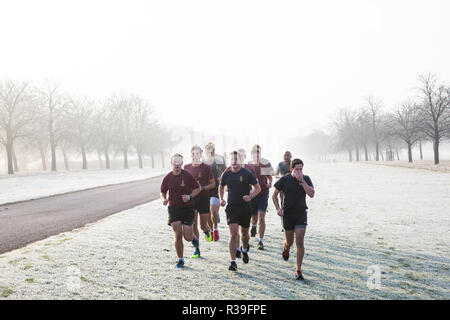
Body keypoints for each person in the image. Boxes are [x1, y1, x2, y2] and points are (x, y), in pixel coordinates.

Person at [272, 158, 315, 280]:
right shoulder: (284, 179)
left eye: (301, 169)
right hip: (288, 215)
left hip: (301, 213)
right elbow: (274, 195)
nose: (299, 171)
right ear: (291, 169)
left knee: (300, 241)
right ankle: (286, 247)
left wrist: (302, 181)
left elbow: (311, 194)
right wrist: (278, 209)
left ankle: (298, 270)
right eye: (297, 169)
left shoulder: (305, 178)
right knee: (289, 241)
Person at [219, 151, 261, 271]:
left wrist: (250, 196)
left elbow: (258, 188)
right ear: (230, 160)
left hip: (245, 208)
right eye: (232, 159)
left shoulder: (247, 173)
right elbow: (221, 186)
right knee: (233, 234)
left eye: (237, 159)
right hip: (231, 208)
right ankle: (233, 262)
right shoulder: (226, 174)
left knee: (244, 235)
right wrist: (221, 199)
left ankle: (244, 249)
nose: (234, 161)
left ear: (241, 160)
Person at [160, 153, 202, 268]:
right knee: (177, 234)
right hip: (173, 208)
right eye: (175, 162)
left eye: (179, 162)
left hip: (188, 208)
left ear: (182, 163)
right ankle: (180, 259)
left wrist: (189, 197)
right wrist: (164, 199)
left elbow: (198, 188)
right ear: (171, 163)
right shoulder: (167, 177)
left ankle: (193, 238)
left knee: (187, 237)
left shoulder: (187, 176)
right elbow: (162, 191)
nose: (177, 165)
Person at [184, 146, 216, 257]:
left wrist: (202, 188)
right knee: (193, 225)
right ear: (191, 155)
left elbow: (213, 184)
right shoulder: (186, 167)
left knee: (202, 225)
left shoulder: (206, 168)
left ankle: (207, 231)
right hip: (191, 199)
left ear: (201, 155)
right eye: (193, 153)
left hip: (203, 198)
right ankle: (197, 249)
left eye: (198, 153)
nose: (195, 155)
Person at [247, 144, 274, 250]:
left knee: (261, 216)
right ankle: (253, 226)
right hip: (252, 195)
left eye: (258, 155)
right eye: (254, 154)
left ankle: (260, 241)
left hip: (263, 194)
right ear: (251, 155)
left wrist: (270, 183)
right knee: (254, 218)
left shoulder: (264, 164)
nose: (256, 157)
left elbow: (269, 177)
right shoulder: (248, 166)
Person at [203, 142, 227, 241]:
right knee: (209, 212)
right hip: (206, 189)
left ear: (214, 151)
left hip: (216, 188)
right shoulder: (202, 161)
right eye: (207, 150)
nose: (209, 152)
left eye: (211, 150)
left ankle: (216, 230)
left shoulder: (220, 159)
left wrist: (221, 178)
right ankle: (212, 230)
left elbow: (226, 170)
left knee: (213, 210)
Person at [274, 151, 292, 231]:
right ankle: (283, 224)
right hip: (282, 187)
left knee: (291, 203)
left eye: (288, 155)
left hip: (292, 187)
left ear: (291, 156)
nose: (286, 157)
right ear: (283, 156)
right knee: (283, 204)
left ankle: (291, 222)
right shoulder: (280, 164)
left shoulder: (293, 164)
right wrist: (281, 177)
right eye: (285, 155)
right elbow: (275, 174)